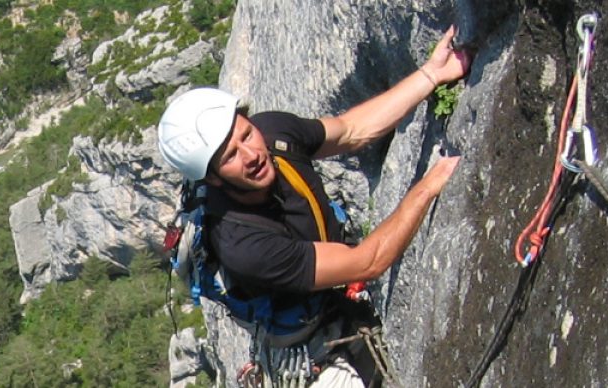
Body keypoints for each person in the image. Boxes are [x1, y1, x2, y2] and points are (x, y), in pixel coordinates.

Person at [157, 27, 468, 384]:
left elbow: (352, 130)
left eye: (246, 134)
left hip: (335, 291)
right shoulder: (242, 244)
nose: (252, 155)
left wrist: (431, 74)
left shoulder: (275, 133)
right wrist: (428, 186)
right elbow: (369, 262)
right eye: (230, 156)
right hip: (306, 345)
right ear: (212, 178)